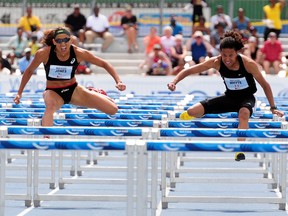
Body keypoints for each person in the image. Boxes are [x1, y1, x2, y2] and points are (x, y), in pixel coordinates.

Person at [167, 30, 284, 161]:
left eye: (231, 55)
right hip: (229, 98)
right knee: (192, 111)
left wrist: (273, 107)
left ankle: (240, 149)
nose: (227, 59)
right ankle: (187, 116)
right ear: (220, 53)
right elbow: (189, 70)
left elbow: (265, 85)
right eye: (224, 55)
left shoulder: (248, 64)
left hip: (247, 98)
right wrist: (173, 81)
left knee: (244, 113)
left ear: (237, 53)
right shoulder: (216, 62)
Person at [13, 27, 126, 127]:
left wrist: (118, 81)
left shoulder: (78, 52)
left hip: (73, 90)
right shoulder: (43, 53)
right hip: (53, 92)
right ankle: (46, 140)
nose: (63, 44)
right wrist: (19, 93)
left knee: (113, 109)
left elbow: (104, 64)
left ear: (70, 40)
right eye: (59, 41)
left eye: (66, 40)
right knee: (50, 107)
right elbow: (28, 72)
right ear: (54, 42)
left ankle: (94, 92)